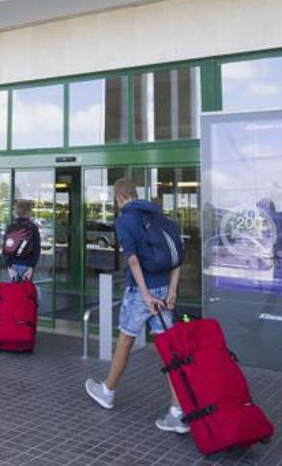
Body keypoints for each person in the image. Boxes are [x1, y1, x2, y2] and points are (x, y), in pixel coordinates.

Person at [84, 177, 189, 434]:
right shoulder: (163, 219)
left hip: (142, 292)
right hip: (165, 290)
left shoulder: (125, 220)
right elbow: (177, 259)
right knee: (168, 349)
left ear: (119, 197)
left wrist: (145, 294)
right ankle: (177, 411)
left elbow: (132, 261)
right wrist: (172, 291)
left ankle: (107, 391)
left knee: (126, 340)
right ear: (135, 193)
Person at [2, 199, 41, 282]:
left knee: (12, 292)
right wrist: (31, 266)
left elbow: (5, 249)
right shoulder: (33, 227)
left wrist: (9, 266)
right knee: (26, 292)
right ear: (28, 212)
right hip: (28, 264)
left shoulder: (11, 227)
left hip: (13, 265)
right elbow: (36, 249)